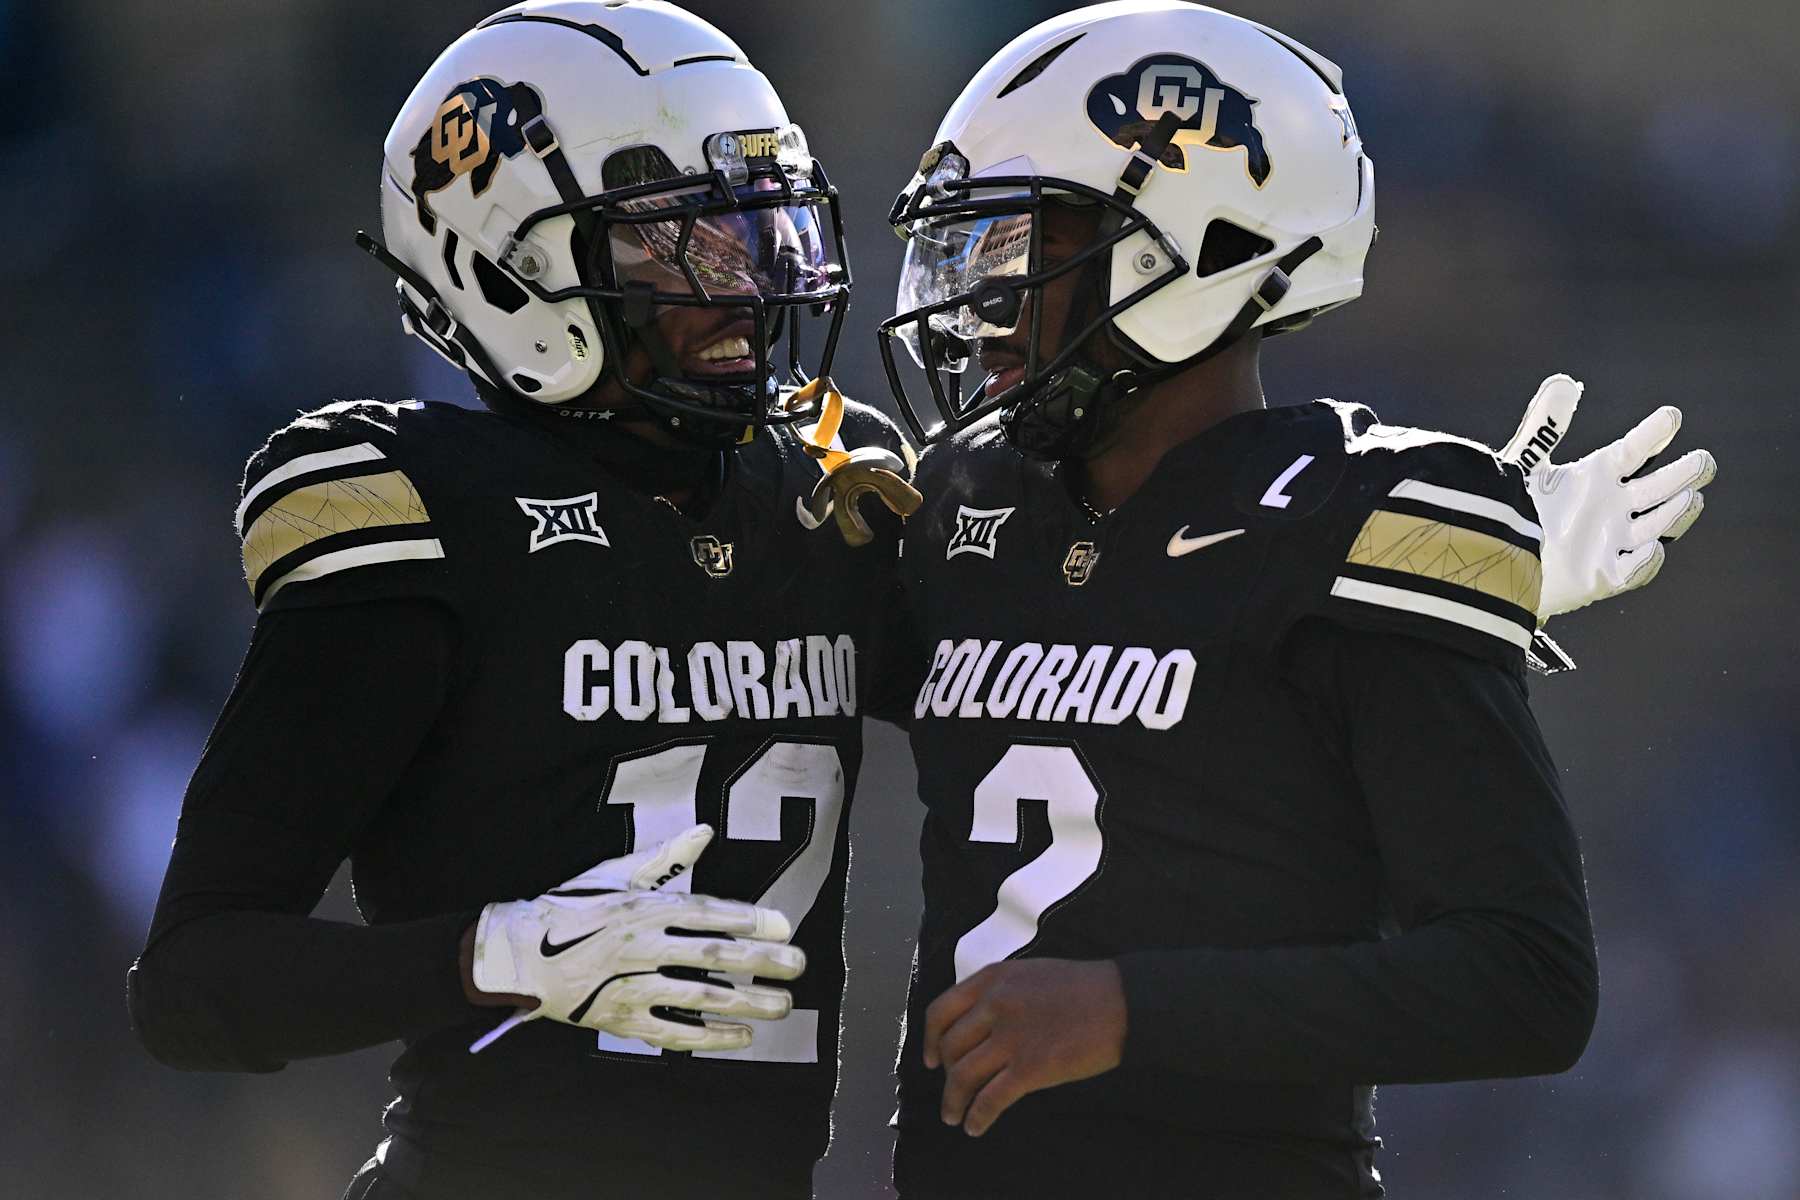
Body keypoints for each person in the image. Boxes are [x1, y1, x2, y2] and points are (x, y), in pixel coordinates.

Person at [875, 3, 1716, 1196]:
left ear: (1198, 248)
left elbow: (1526, 981)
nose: (979, 301)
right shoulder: (965, 503)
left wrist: (1131, 1010)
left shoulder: (1353, 527)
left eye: (1024, 248)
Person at [125, 4, 916, 1199]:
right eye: (678, 245)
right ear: (513, 271)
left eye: (759, 227)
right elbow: (192, 983)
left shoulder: (821, 488)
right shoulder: (428, 515)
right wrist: (495, 953)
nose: (743, 287)